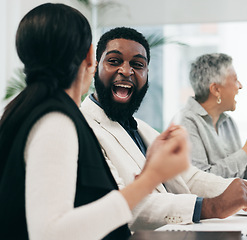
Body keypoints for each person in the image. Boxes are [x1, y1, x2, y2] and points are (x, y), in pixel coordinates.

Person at [0, 4, 189, 240]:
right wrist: (152, 178)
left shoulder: (26, 110)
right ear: (91, 57)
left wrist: (148, 171)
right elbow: (51, 233)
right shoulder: (55, 121)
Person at [80, 27, 247, 230]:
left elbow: (189, 177)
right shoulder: (83, 128)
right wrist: (209, 207)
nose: (126, 71)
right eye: (114, 61)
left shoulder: (142, 129)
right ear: (95, 67)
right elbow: (118, 204)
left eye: (138, 64)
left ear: (147, 73)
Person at [175, 53, 247, 180]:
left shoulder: (229, 122)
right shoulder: (185, 122)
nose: (240, 86)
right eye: (235, 80)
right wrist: (246, 152)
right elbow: (201, 181)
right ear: (216, 89)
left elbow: (244, 180)